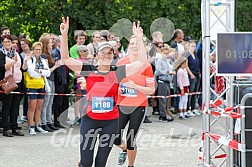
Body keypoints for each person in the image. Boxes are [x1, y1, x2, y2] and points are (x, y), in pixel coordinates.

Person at [60, 16, 147, 167]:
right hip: (90, 120)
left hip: (111, 122)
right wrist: (64, 35)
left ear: (113, 55)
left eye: (109, 53)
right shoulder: (87, 69)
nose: (106, 56)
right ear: (96, 55)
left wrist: (139, 39)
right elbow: (65, 58)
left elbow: (141, 63)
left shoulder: (118, 72)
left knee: (100, 163)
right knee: (87, 162)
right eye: (103, 53)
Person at [114, 35, 155, 166]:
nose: (135, 46)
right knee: (115, 137)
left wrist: (136, 87)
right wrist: (118, 89)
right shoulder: (121, 63)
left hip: (138, 105)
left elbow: (151, 90)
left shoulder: (147, 66)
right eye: (132, 43)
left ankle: (131, 165)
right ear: (128, 45)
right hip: (122, 104)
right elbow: (115, 83)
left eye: (137, 43)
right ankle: (125, 150)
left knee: (131, 139)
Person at [0, 34, 25, 137]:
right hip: (7, 83)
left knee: (15, 106)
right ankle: (6, 128)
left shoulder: (16, 53)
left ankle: (14, 126)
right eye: (5, 42)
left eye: (9, 42)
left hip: (18, 82)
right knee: (7, 106)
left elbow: (22, 68)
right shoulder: (1, 54)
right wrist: (13, 62)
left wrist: (26, 62)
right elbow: (2, 67)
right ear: (2, 43)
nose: (7, 44)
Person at [25, 42, 51, 135]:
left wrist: (39, 71)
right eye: (36, 49)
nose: (38, 51)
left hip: (41, 85)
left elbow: (48, 73)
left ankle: (37, 125)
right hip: (32, 85)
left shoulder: (43, 60)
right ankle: (31, 126)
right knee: (32, 106)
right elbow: (31, 73)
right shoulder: (30, 60)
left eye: (39, 49)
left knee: (39, 106)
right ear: (33, 50)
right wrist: (42, 72)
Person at [155, 46, 176, 122]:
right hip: (162, 81)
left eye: (167, 53)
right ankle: (162, 115)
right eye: (164, 53)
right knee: (162, 99)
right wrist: (168, 72)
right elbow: (158, 72)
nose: (166, 55)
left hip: (167, 81)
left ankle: (165, 114)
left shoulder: (166, 61)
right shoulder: (159, 60)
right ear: (161, 53)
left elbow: (171, 67)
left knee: (166, 99)